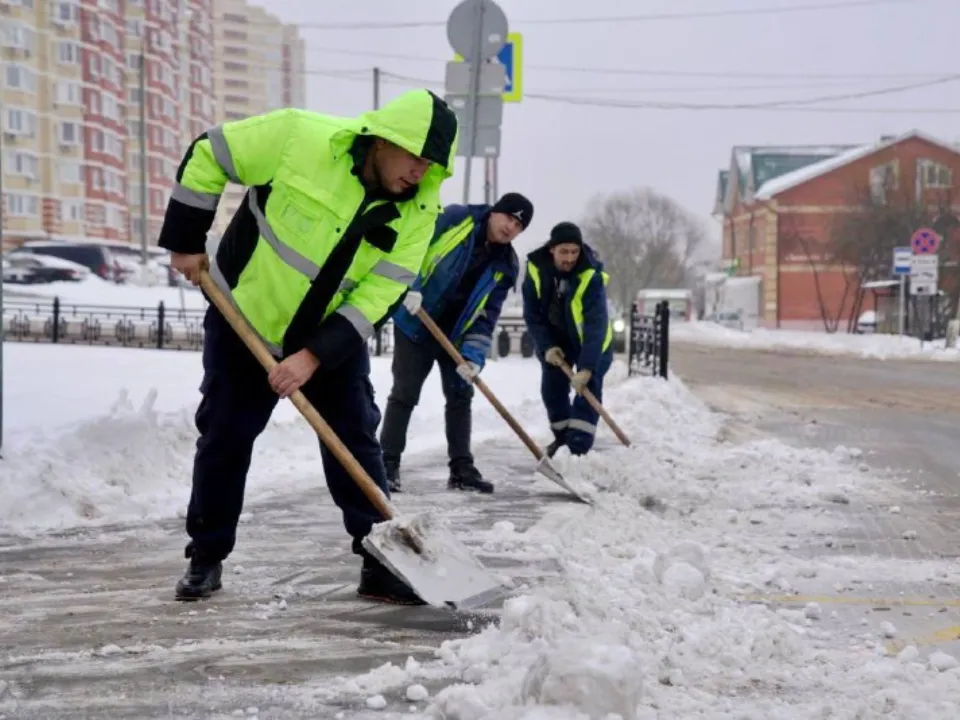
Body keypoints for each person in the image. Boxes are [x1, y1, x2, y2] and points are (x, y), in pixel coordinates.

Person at [158, 88, 458, 606]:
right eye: (415, 156)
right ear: (383, 140)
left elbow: (380, 293)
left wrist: (314, 356)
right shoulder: (298, 137)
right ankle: (206, 555)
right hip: (244, 318)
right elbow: (211, 152)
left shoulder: (420, 211)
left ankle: (380, 563)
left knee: (355, 442)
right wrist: (186, 240)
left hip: (327, 339)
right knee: (225, 438)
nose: (420, 171)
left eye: (431, 164)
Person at [379, 193, 533, 494]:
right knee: (405, 393)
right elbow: (414, 246)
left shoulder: (507, 266)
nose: (510, 227)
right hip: (417, 320)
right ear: (494, 212)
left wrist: (473, 356)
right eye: (508, 218)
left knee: (461, 396)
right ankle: (387, 464)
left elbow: (487, 317)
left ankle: (461, 469)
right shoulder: (456, 219)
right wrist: (410, 288)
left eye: (518, 226)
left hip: (457, 336)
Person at [521, 221, 614, 458]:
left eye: (575, 251)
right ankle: (562, 439)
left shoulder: (591, 276)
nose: (570, 258)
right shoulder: (536, 270)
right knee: (552, 389)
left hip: (591, 343)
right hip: (556, 341)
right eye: (564, 252)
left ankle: (577, 449)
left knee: (588, 390)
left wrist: (587, 367)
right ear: (552, 249)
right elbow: (532, 315)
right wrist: (547, 346)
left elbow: (595, 325)